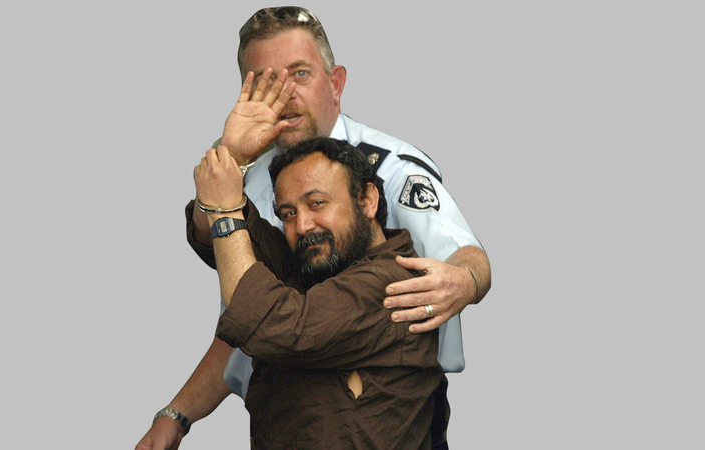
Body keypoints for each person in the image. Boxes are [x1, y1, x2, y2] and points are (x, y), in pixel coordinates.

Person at [135, 6, 490, 450]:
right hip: (285, 414)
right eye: (264, 82)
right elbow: (244, 312)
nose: (284, 95)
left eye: (299, 74)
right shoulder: (250, 171)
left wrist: (468, 280)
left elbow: (465, 256)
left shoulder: (391, 168)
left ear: (335, 84)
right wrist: (177, 414)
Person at [190, 137, 442, 448]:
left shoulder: (392, 283)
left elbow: (274, 325)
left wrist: (223, 211)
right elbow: (213, 240)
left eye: (316, 203)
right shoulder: (318, 264)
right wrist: (232, 153)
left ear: (367, 201)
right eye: (288, 213)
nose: (303, 225)